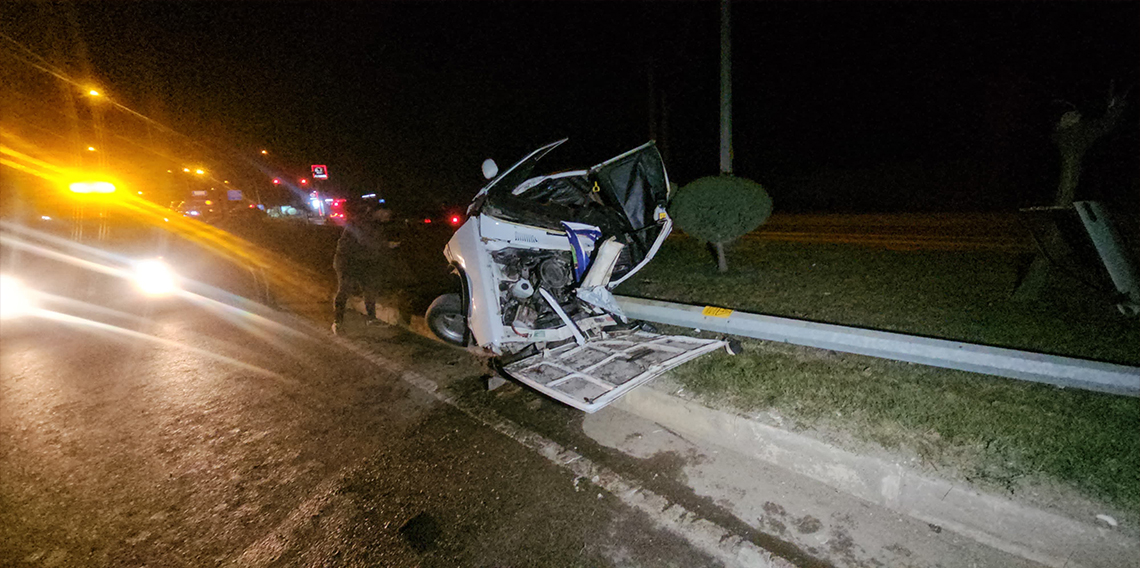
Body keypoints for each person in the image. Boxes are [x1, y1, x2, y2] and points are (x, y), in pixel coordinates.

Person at [332, 201, 399, 335]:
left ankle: (371, 319)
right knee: (345, 289)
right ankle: (337, 322)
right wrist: (387, 245)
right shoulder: (362, 221)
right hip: (347, 260)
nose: (389, 217)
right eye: (388, 213)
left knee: (370, 289)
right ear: (380, 211)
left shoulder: (376, 223)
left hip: (363, 261)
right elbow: (366, 241)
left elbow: (372, 245)